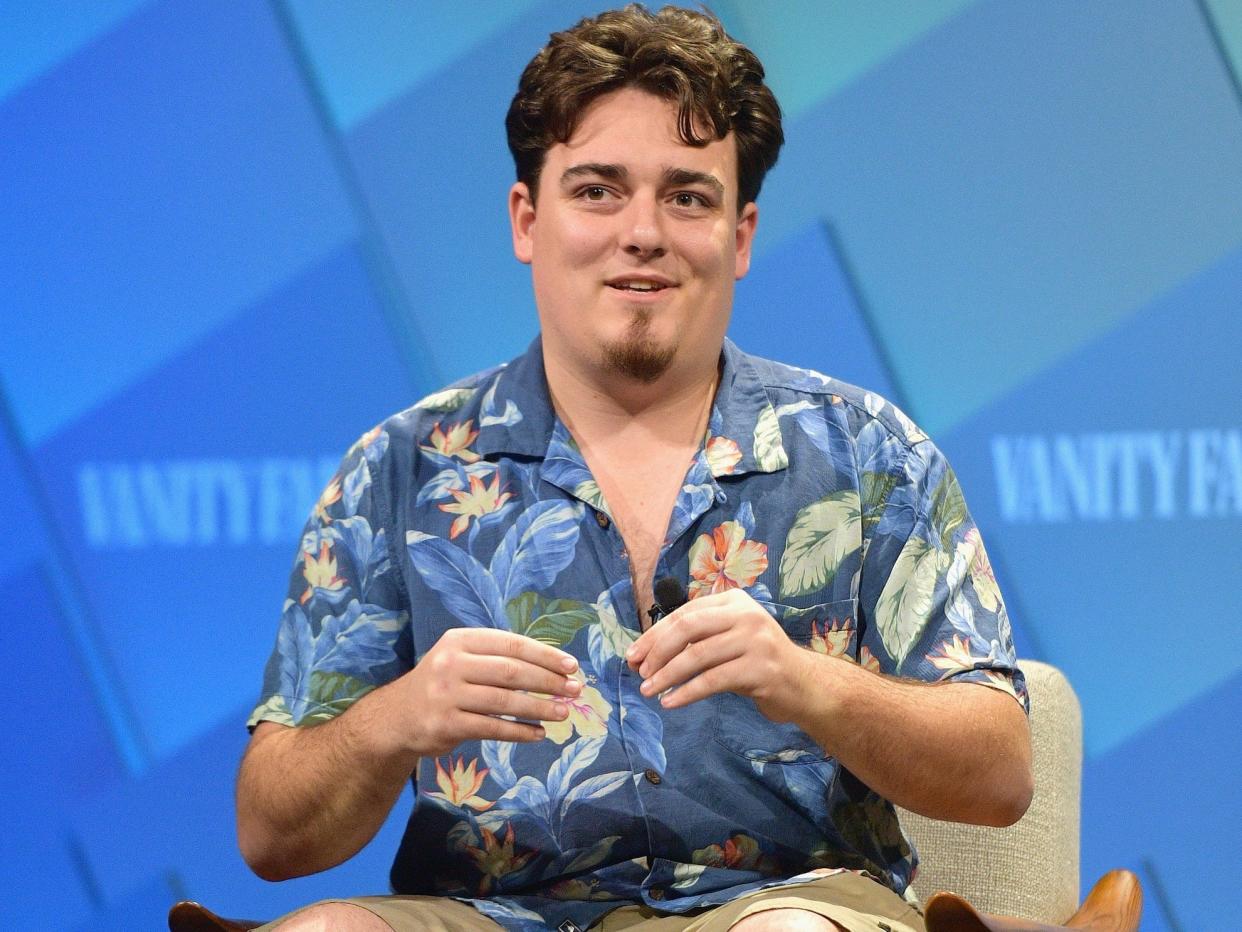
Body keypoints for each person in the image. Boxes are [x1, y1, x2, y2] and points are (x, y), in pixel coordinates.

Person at [236, 5, 1033, 931]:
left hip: (784, 904)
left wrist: (811, 683)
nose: (643, 231)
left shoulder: (866, 456)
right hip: (494, 914)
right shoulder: (400, 472)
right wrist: (399, 717)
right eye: (599, 190)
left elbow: (1002, 775)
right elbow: (269, 836)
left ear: (739, 236)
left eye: (688, 196)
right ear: (528, 220)